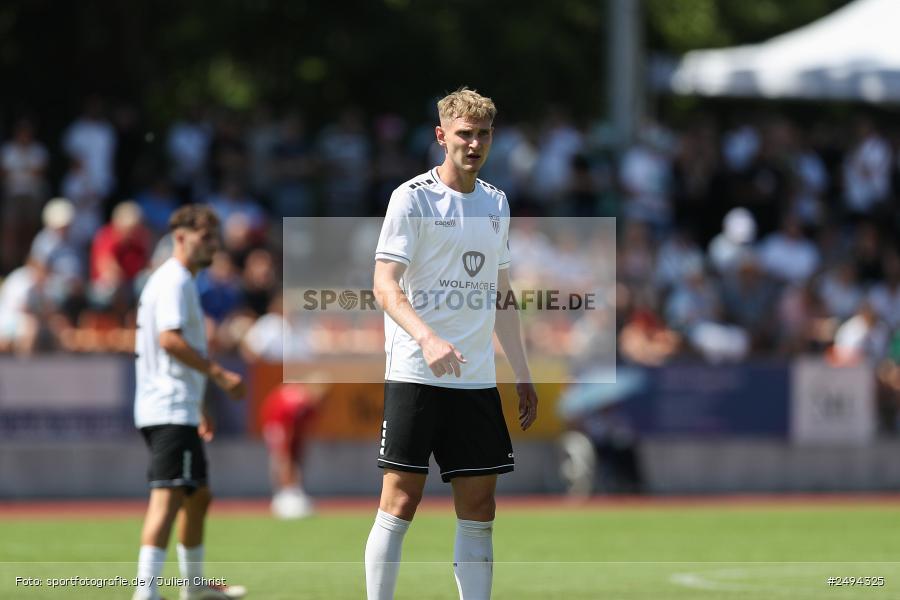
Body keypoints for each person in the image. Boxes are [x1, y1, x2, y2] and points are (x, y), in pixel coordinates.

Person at [365, 87, 539, 600]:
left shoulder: (496, 202)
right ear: (442, 136)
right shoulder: (411, 197)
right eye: (465, 133)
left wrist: (522, 371)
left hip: (477, 377)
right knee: (400, 501)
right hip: (417, 372)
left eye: (483, 133)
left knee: (480, 508)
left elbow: (501, 295)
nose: (475, 143)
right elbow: (383, 285)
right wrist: (427, 338)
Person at [132, 205, 247, 600]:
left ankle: (194, 586)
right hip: (167, 405)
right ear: (180, 237)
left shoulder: (179, 281)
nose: (212, 245)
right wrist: (218, 375)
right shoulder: (175, 280)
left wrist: (200, 405)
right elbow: (170, 340)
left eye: (214, 237)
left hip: (178, 404)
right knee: (168, 497)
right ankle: (145, 592)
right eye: (204, 237)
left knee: (198, 495)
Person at [261, 380, 327, 519]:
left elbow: (305, 431)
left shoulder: (309, 406)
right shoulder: (296, 402)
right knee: (283, 459)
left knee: (294, 459)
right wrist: (287, 452)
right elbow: (286, 430)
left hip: (291, 431)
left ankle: (293, 492)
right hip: (278, 426)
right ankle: (286, 495)